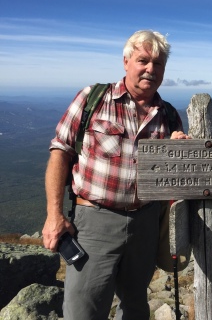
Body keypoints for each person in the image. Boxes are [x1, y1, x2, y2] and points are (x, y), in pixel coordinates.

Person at [42, 30, 191, 320]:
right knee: (83, 310)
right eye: (143, 60)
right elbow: (60, 151)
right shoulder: (93, 98)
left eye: (158, 64)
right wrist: (53, 214)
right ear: (126, 62)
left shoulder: (169, 115)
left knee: (136, 307)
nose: (150, 69)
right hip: (95, 221)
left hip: (146, 222)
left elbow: (177, 171)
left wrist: (191, 147)